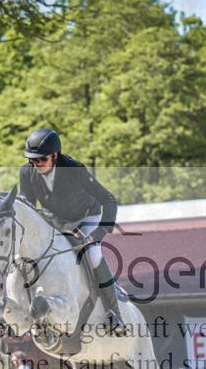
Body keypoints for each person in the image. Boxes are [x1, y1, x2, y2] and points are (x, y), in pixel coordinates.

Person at [20, 127, 126, 335]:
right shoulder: (27, 172)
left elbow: (109, 200)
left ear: (55, 155)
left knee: (93, 254)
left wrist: (99, 233)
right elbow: (29, 208)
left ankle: (114, 314)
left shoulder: (74, 169)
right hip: (56, 220)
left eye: (41, 159)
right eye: (33, 160)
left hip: (86, 217)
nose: (36, 164)